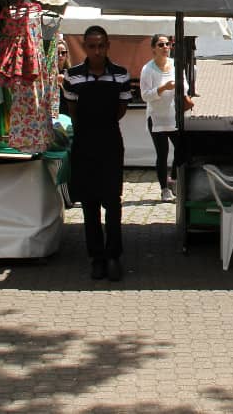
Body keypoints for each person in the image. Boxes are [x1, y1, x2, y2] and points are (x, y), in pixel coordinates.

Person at [62, 25, 133, 282]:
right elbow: (72, 109)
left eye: (101, 46)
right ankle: (96, 258)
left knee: (113, 201)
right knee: (89, 203)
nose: (97, 51)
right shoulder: (72, 76)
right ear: (85, 47)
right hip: (84, 143)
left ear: (107, 46)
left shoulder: (121, 75)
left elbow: (121, 109)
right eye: (92, 46)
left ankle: (113, 256)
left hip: (110, 142)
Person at [140, 33, 193, 202]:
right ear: (153, 49)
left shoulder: (175, 65)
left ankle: (174, 179)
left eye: (167, 44)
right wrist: (163, 88)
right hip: (156, 118)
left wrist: (180, 87)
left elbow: (185, 86)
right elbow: (145, 95)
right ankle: (164, 189)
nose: (165, 48)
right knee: (162, 154)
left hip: (174, 116)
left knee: (182, 148)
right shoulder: (147, 69)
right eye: (161, 45)